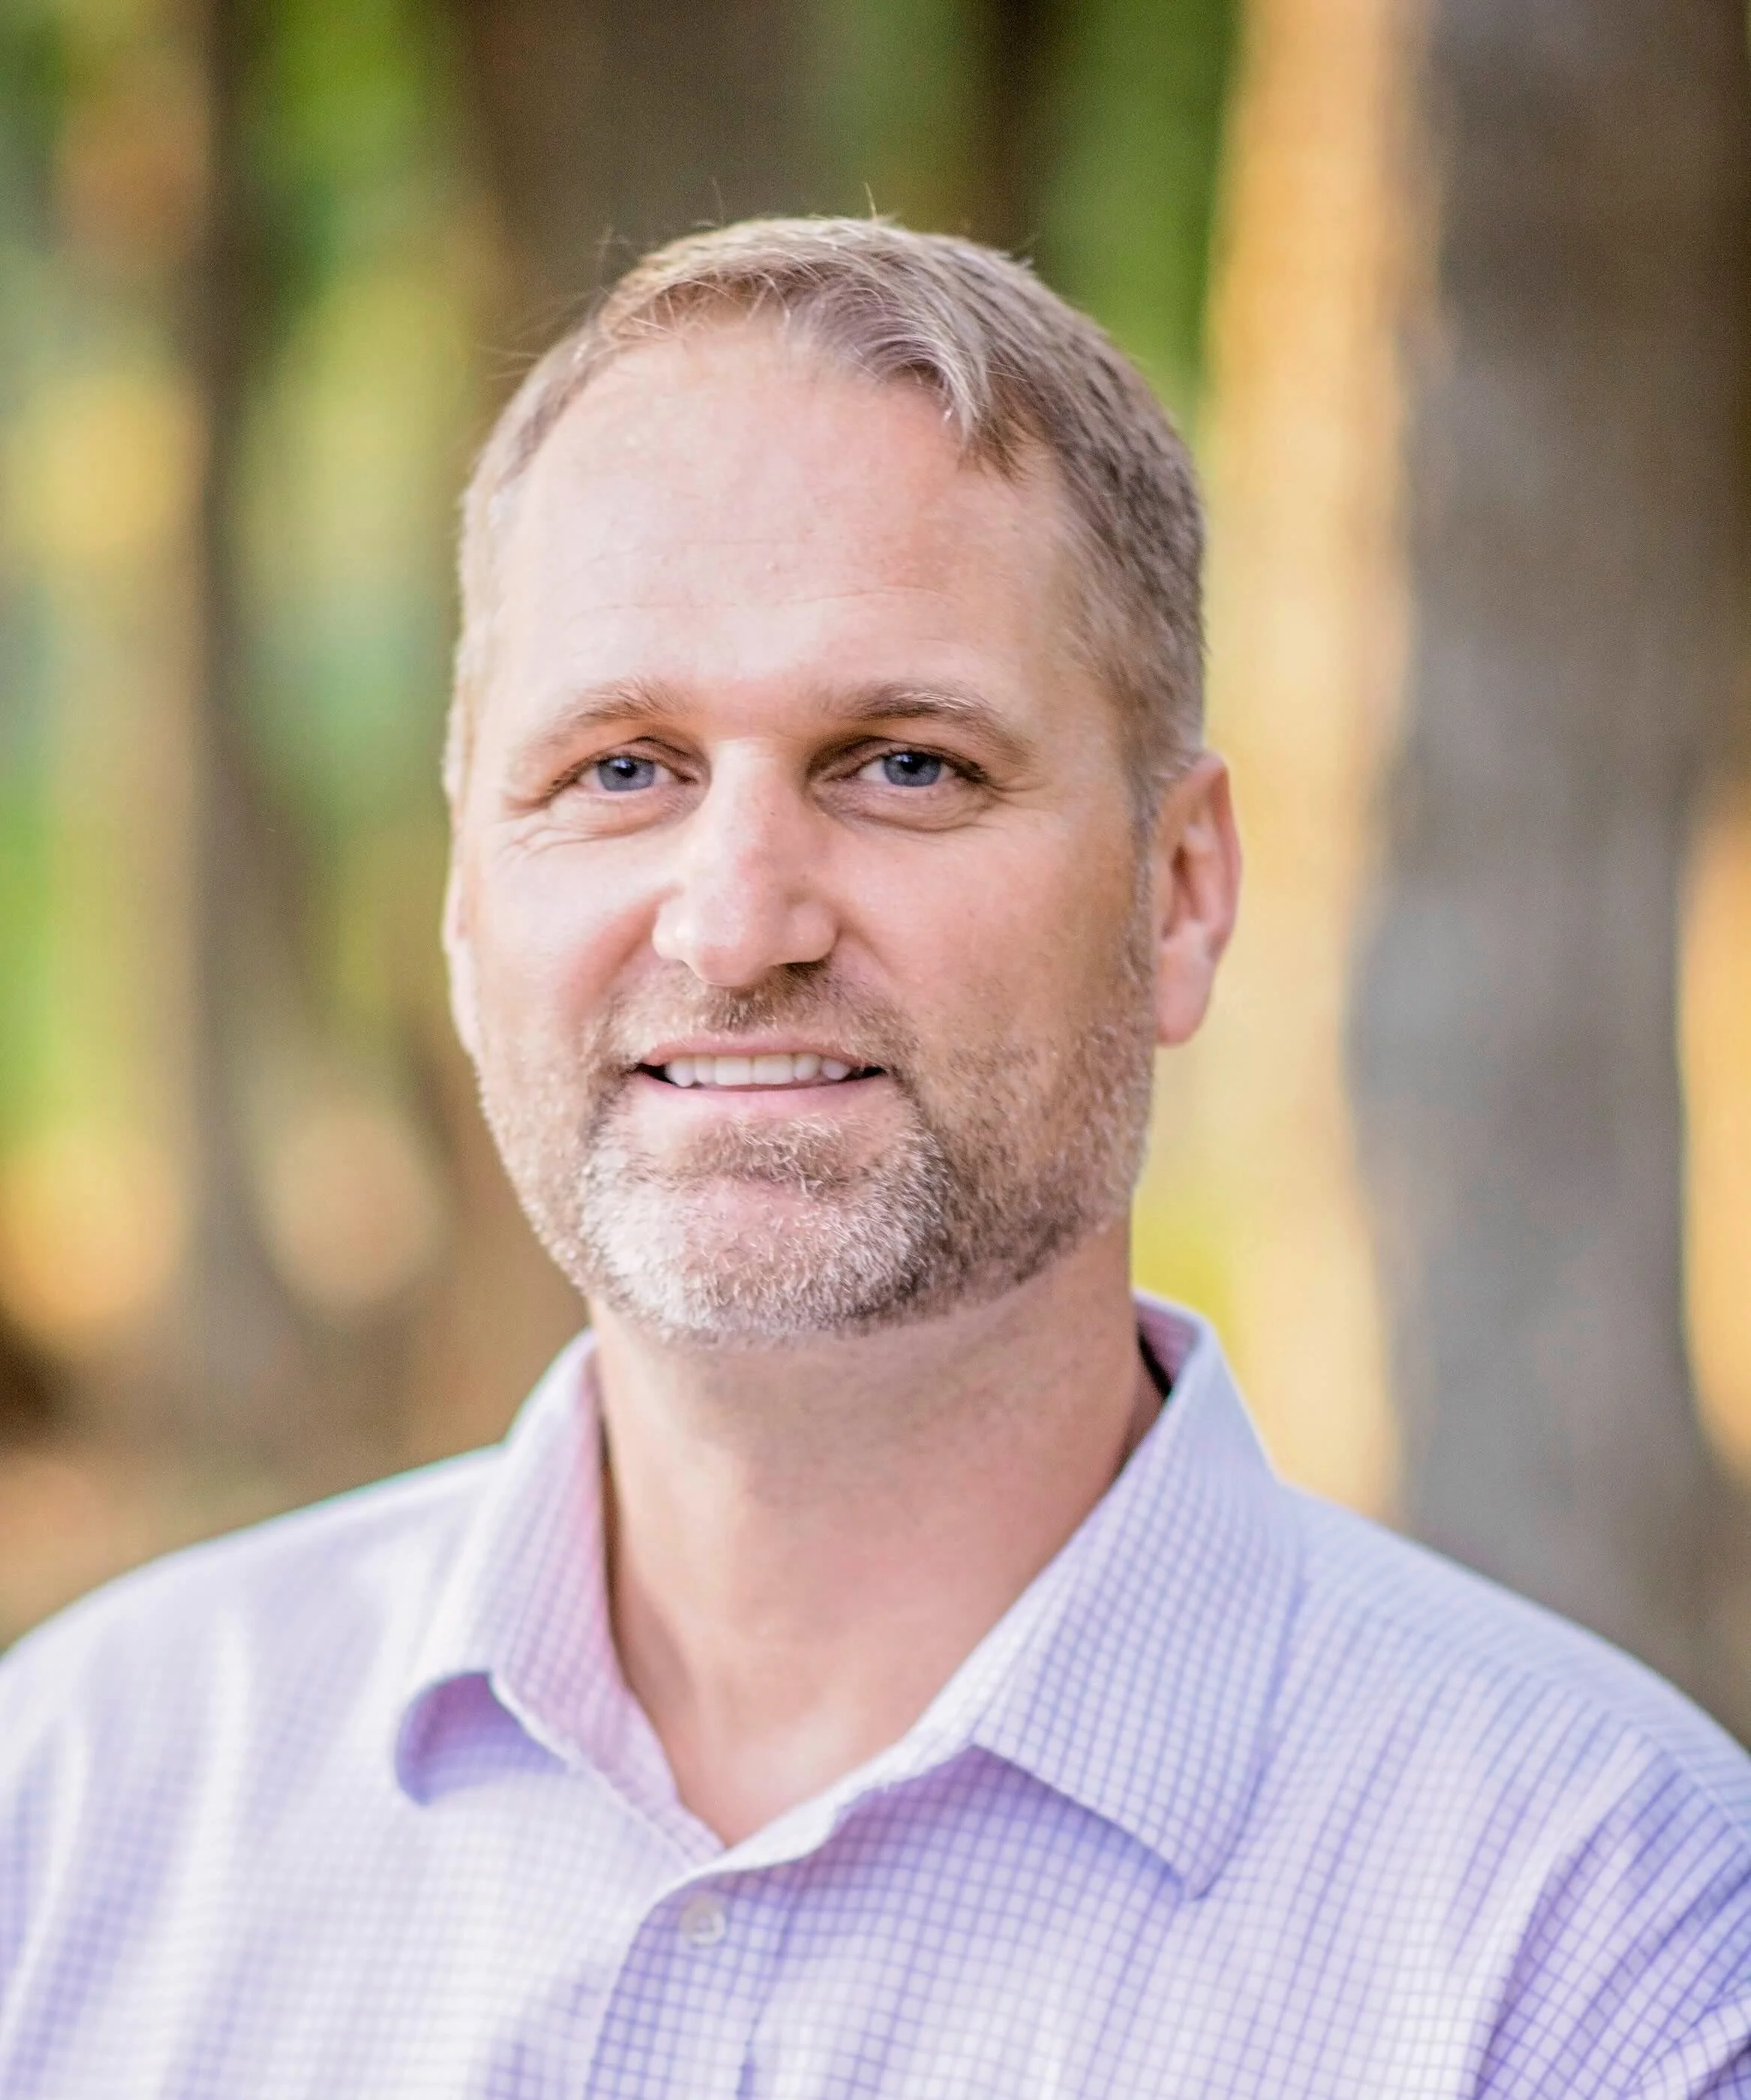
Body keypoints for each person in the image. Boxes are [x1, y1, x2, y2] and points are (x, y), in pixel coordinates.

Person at [2, 217, 1748, 2099]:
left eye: (904, 763)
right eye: (619, 768)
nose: (734, 924)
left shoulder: (1598, 1939)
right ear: (460, 900)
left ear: (1176, 893)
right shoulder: (74, 1808)